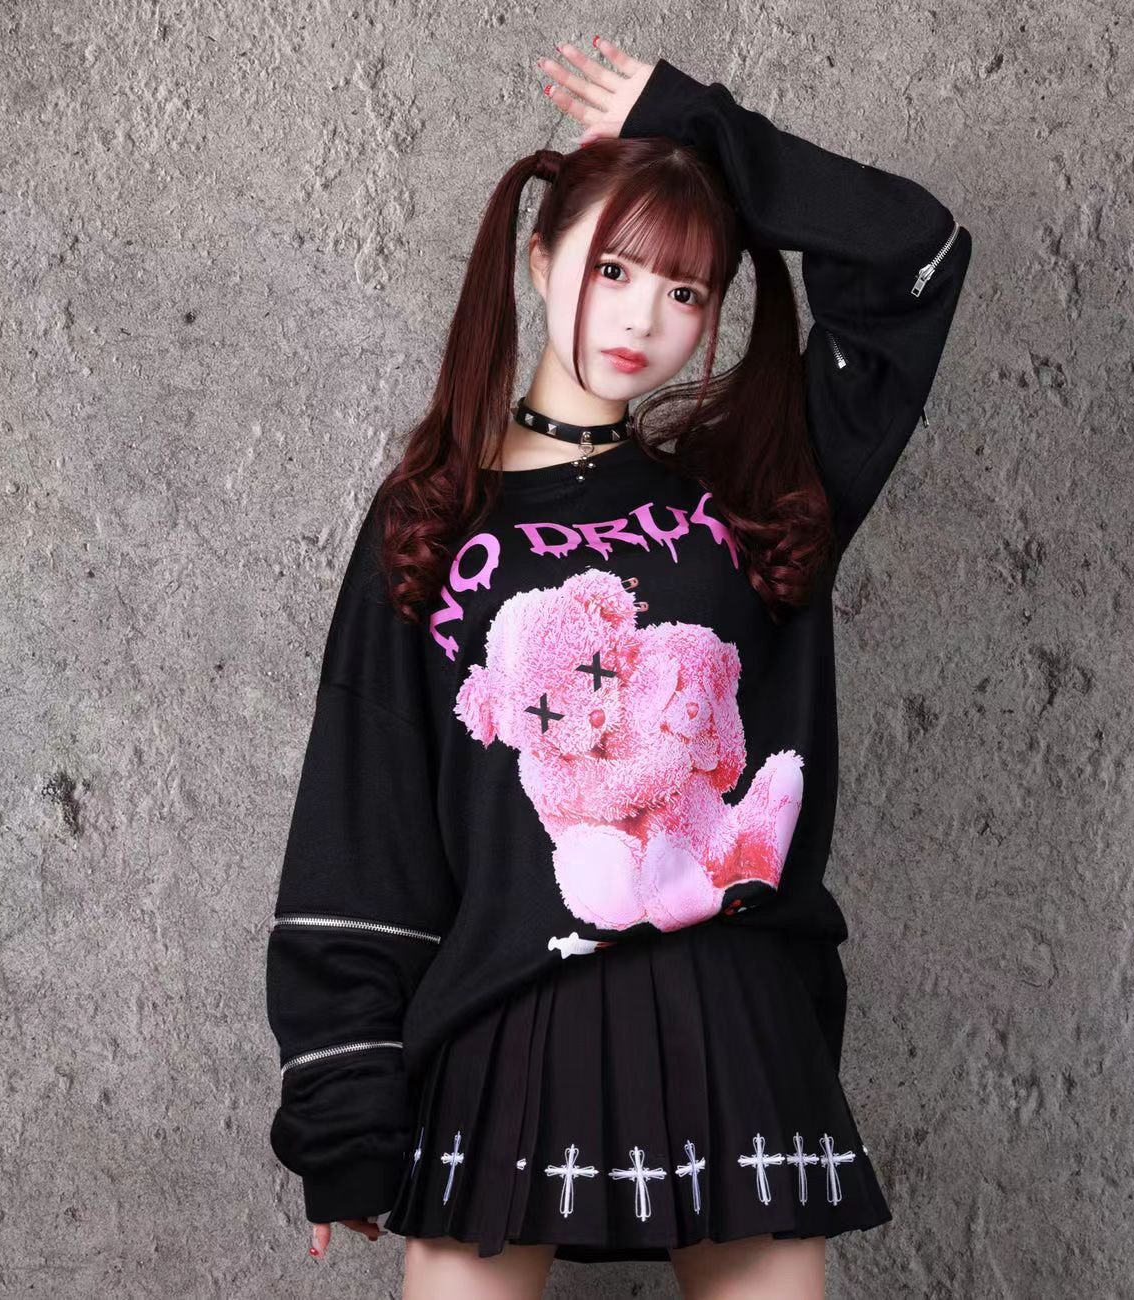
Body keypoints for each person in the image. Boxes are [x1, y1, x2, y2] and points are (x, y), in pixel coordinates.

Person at [265, 33, 972, 1300]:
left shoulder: (750, 494)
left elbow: (912, 253)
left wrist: (701, 130)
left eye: (688, 289)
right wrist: (342, 1108)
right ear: (541, 259)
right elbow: (362, 817)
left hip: (731, 1011)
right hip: (504, 1018)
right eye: (613, 268)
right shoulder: (430, 517)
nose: (646, 317)